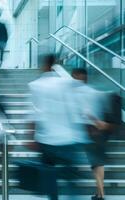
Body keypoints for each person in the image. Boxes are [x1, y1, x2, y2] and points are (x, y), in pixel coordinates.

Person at [28, 54, 87, 200]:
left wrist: (31, 137)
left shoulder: (36, 85)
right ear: (56, 64)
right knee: (71, 181)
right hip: (69, 139)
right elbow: (77, 108)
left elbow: (34, 114)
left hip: (47, 141)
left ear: (44, 65)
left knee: (50, 180)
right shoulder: (67, 83)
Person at [72, 68, 121, 200]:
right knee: (97, 163)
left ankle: (101, 194)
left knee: (96, 163)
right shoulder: (93, 91)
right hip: (99, 131)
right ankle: (99, 192)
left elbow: (86, 112)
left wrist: (95, 122)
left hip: (93, 131)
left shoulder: (84, 92)